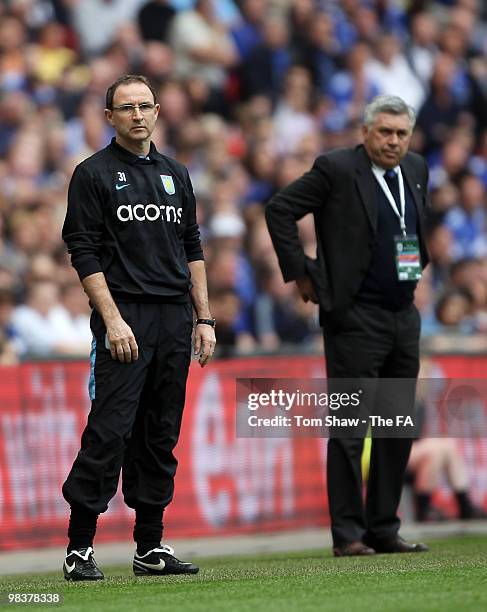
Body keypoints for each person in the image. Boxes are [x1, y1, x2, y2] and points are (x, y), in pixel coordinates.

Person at [61, 74, 216, 580]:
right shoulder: (93, 174)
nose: (138, 114)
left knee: (159, 434)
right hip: (125, 315)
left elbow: (191, 247)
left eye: (145, 105)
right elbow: (82, 251)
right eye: (126, 107)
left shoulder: (176, 173)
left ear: (157, 112)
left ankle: (150, 548)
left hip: (174, 318)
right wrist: (112, 320)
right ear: (110, 117)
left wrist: (205, 317)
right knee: (110, 431)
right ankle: (78, 548)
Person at [265, 95, 429, 557]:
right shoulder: (336, 169)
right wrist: (301, 272)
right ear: (366, 132)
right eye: (385, 132)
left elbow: (415, 229)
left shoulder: (415, 168)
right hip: (354, 317)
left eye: (401, 133)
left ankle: (384, 528)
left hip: (403, 314)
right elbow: (280, 209)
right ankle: (349, 535)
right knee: (351, 428)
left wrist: (420, 269)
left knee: (396, 426)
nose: (393, 141)